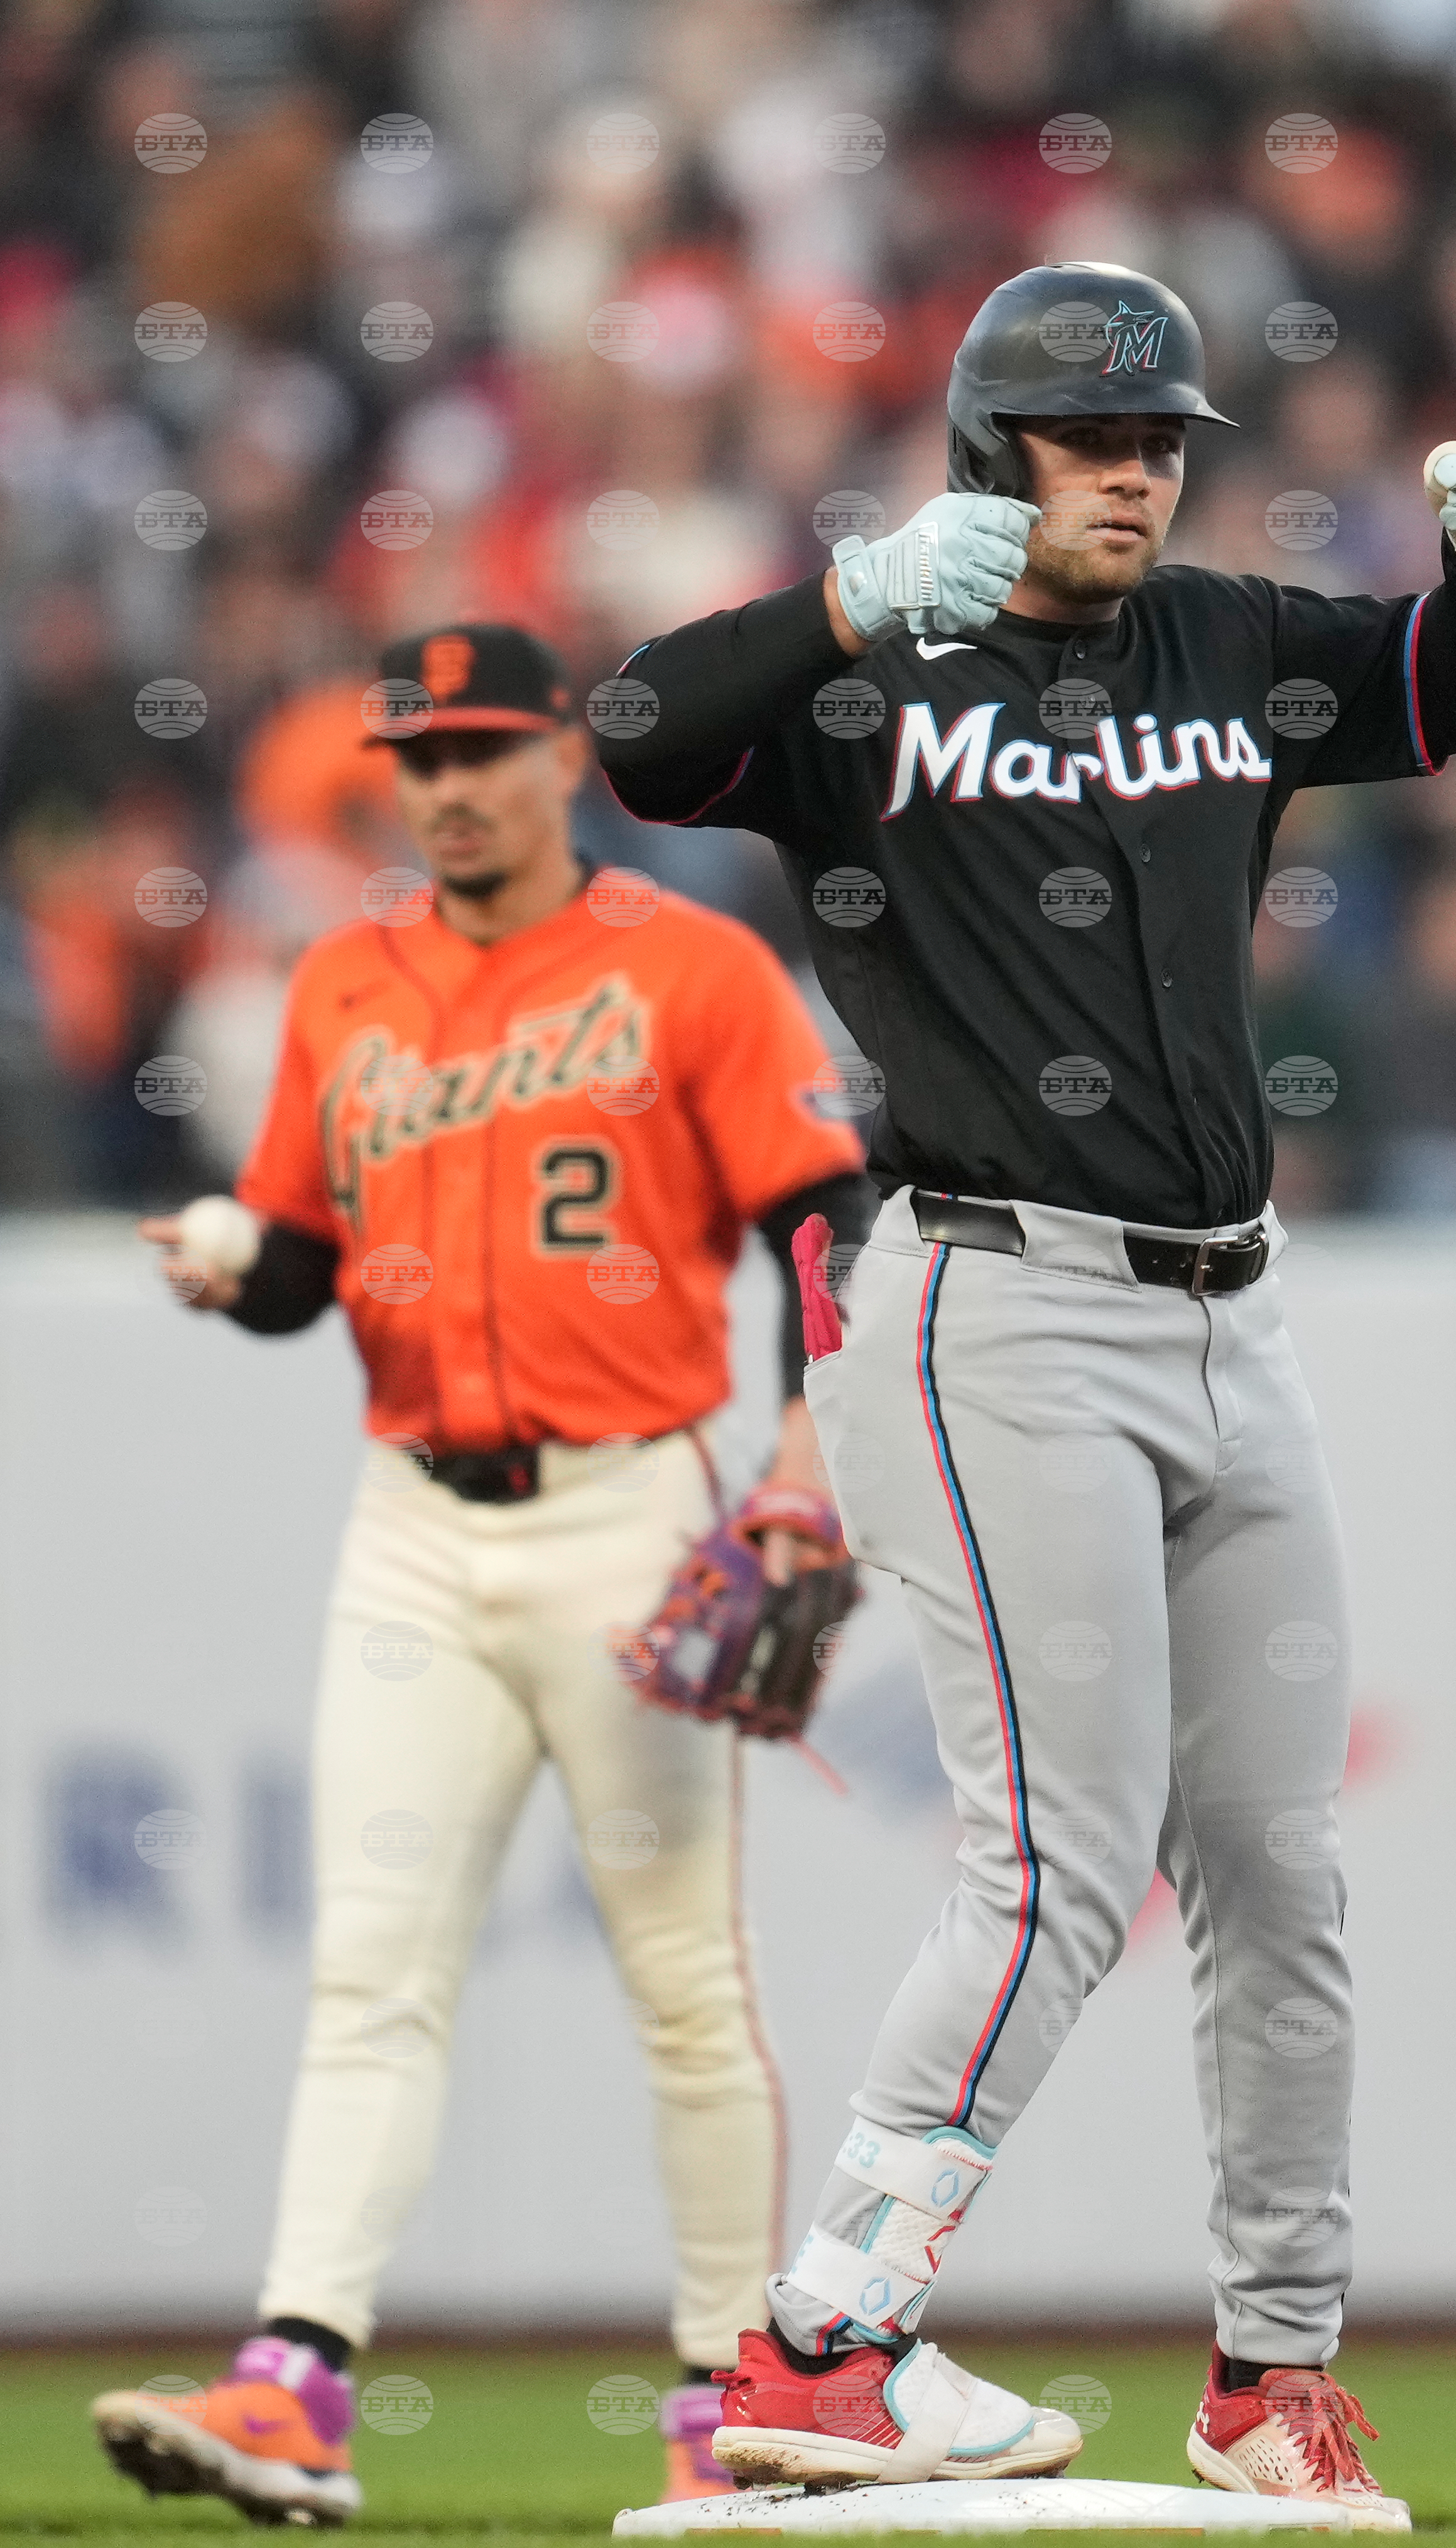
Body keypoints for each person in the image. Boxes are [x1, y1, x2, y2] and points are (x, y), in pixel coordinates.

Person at [595, 265, 1456, 2520]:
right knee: (1057, 1858)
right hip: (994, 1301)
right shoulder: (870, 670)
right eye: (1083, 435)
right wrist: (839, 606)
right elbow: (630, 730)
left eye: (1158, 439)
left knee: (1280, 1871)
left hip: (1237, 1314)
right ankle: (825, 2342)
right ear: (984, 450)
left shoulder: (1221, 642)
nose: (1134, 468)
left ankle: (1272, 2380)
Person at [91, 623, 872, 2524]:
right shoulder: (344, 983)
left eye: (480, 750)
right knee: (370, 1971)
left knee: (686, 1986)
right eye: (419, 755)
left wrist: (805, 1448)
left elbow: (821, 1217)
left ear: (558, 761)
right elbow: (298, 1269)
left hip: (632, 1506)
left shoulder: (693, 967)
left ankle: (725, 2409)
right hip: (415, 1529)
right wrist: (236, 1265)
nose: (445, 786)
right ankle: (295, 2384)